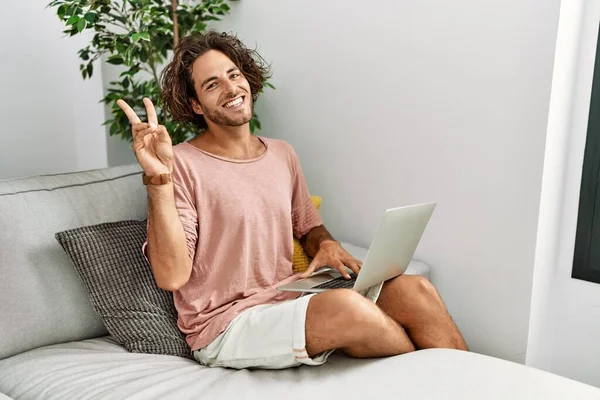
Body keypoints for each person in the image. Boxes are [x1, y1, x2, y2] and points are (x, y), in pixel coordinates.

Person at [116, 30, 468, 370]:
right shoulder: (180, 165)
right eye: (212, 85)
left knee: (414, 289)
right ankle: (432, 380)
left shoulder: (282, 154)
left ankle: (477, 386)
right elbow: (172, 276)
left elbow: (307, 225)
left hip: (289, 298)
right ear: (195, 104)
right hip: (227, 324)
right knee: (349, 308)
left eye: (233, 75)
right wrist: (158, 179)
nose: (231, 88)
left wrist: (326, 243)